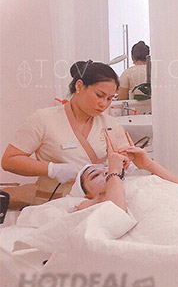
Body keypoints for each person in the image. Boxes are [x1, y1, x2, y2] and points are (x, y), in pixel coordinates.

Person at [1, 61, 120, 204]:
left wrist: (127, 163)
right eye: (99, 95)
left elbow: (122, 158)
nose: (104, 104)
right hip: (54, 204)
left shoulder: (109, 123)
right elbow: (9, 160)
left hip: (96, 204)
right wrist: (52, 169)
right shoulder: (43, 119)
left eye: (109, 99)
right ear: (79, 86)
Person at [75, 143, 178, 212]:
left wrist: (149, 165)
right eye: (94, 175)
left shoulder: (136, 182)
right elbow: (116, 215)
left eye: (106, 168)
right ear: (88, 195)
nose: (105, 172)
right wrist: (114, 171)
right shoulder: (89, 204)